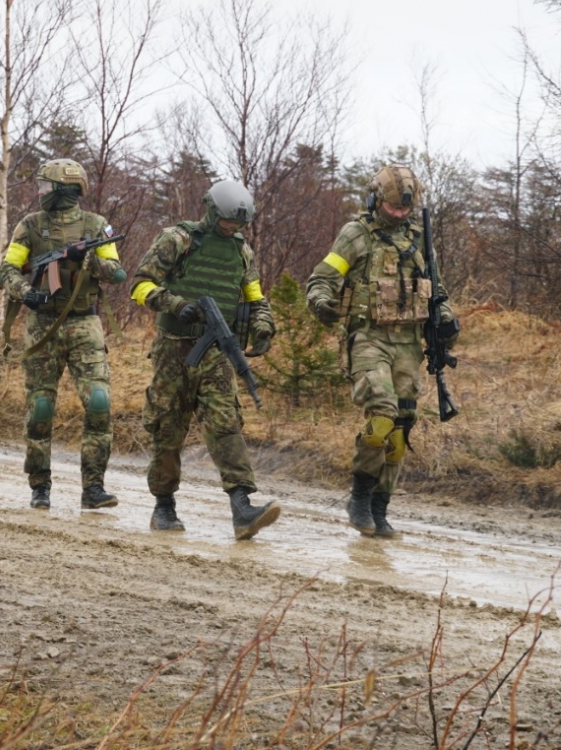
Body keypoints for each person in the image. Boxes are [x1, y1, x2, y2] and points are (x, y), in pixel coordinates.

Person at [306, 165, 460, 539]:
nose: (399, 214)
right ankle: (359, 497)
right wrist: (322, 303)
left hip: (408, 342)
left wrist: (445, 317)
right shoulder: (355, 236)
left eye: (405, 209)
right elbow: (321, 280)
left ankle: (380, 506)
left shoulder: (420, 239)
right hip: (368, 338)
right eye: (392, 208)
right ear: (376, 199)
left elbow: (435, 289)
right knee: (381, 418)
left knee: (401, 428)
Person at [130, 180, 281, 540]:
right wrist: (176, 305)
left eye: (238, 225)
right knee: (168, 426)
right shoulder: (178, 239)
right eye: (227, 222)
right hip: (173, 350)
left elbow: (256, 297)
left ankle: (242, 507)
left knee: (225, 422)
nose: (232, 229)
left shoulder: (241, 251)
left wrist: (263, 327)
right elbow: (139, 285)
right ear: (212, 211)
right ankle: (164, 506)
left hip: (216, 352)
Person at [0, 158, 129, 510]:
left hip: (85, 323)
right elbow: (7, 269)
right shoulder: (31, 225)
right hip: (42, 324)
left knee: (99, 403)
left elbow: (116, 273)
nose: (40, 193)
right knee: (40, 409)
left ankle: (94, 488)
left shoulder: (97, 225)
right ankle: (40, 486)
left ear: (62, 190)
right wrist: (26, 293)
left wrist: (88, 259)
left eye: (44, 187)